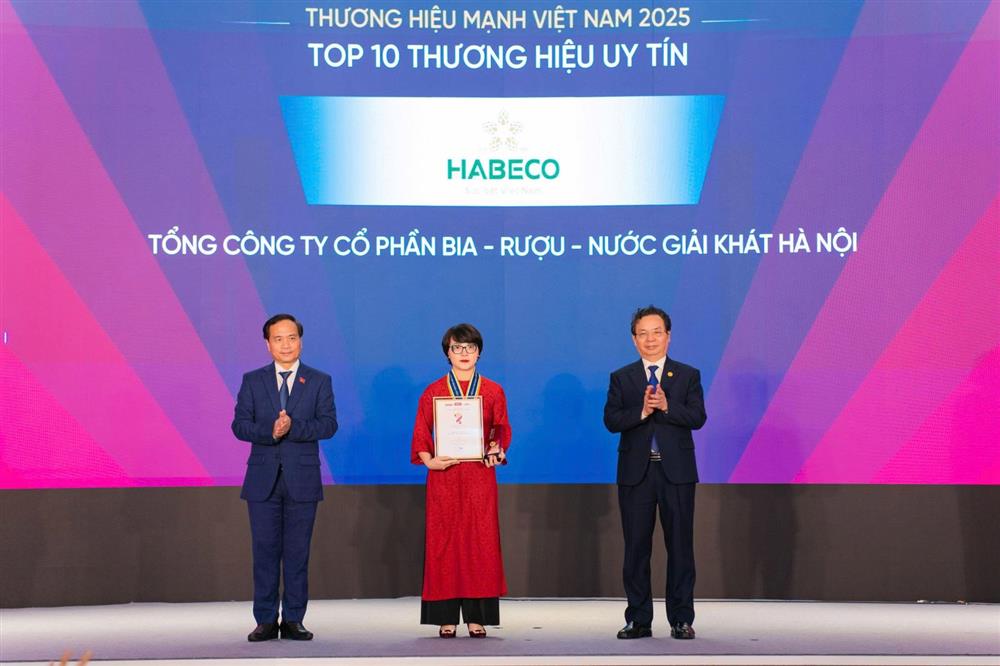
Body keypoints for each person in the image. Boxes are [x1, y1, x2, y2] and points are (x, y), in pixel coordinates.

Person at [232, 314, 338, 642]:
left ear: (300, 341)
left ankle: (294, 619)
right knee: (264, 553)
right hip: (262, 481)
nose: (286, 345)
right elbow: (240, 426)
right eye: (278, 339)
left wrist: (293, 427)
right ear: (268, 344)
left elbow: (328, 425)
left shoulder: (319, 380)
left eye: (291, 338)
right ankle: (265, 620)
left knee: (297, 553)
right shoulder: (253, 380)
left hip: (302, 480)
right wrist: (271, 431)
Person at [604, 306, 706, 640]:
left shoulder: (687, 375)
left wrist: (666, 406)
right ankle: (638, 619)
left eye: (657, 332)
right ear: (634, 340)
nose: (650, 339)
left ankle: (681, 619)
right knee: (636, 548)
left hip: (677, 473)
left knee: (680, 547)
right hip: (637, 474)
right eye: (643, 334)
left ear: (668, 336)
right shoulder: (622, 377)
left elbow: (697, 417)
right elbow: (611, 421)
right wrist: (642, 411)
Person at [410, 323, 511, 638]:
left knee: (480, 543)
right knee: (444, 543)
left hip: (479, 476)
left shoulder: (493, 390)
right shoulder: (434, 391)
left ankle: (477, 617)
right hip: (445, 476)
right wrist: (430, 461)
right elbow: (421, 431)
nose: (464, 353)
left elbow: (501, 429)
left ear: (479, 352)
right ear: (448, 353)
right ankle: (445, 617)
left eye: (470, 347)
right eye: (457, 347)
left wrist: (495, 449)